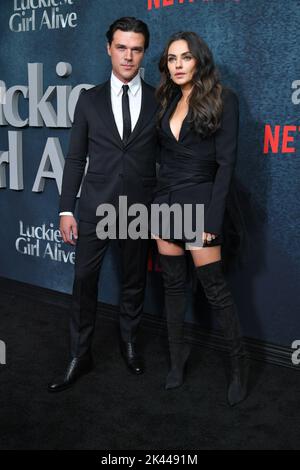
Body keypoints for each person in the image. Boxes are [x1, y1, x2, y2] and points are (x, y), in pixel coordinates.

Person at [48, 17, 159, 392]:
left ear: (145, 52)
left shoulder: (161, 99)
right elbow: (75, 158)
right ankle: (80, 353)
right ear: (108, 48)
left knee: (133, 281)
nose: (129, 56)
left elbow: (172, 156)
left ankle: (129, 342)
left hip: (139, 208)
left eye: (137, 49)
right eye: (122, 47)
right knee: (83, 280)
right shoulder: (89, 99)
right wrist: (66, 209)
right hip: (96, 206)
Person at [151, 31, 248, 406]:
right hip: (163, 205)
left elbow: (226, 165)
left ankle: (239, 369)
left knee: (216, 291)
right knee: (173, 289)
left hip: (201, 204)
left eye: (185, 57)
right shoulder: (166, 100)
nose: (177, 65)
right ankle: (177, 364)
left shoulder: (225, 99)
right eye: (172, 59)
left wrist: (213, 219)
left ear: (199, 61)